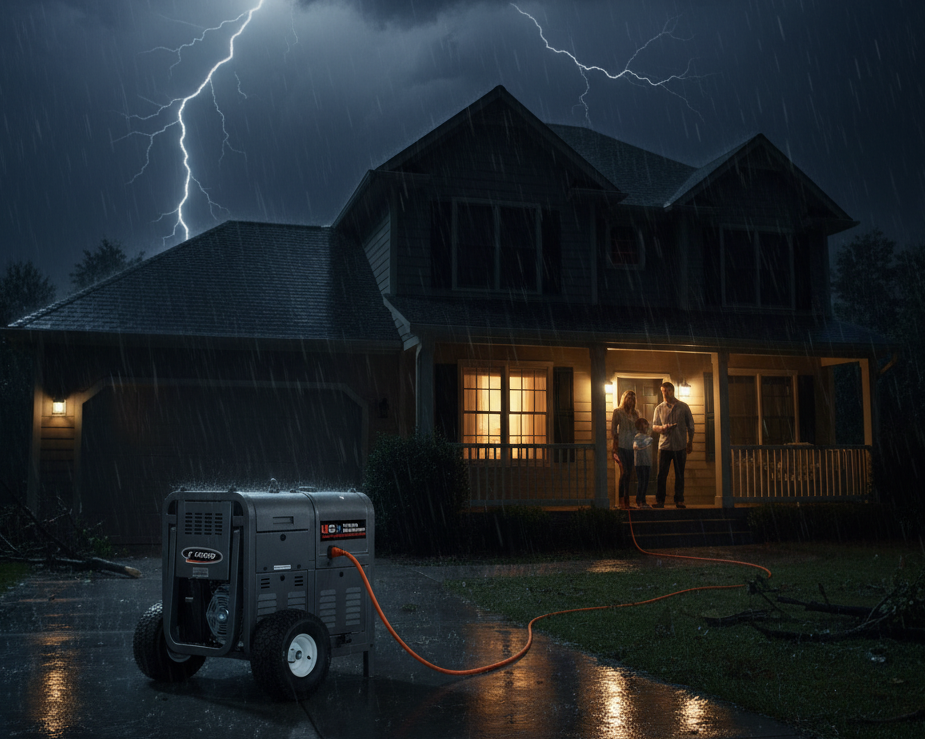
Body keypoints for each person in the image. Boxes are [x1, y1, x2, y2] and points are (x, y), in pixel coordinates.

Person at [652, 381, 695, 509]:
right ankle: (660, 500)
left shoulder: (683, 407)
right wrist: (662, 429)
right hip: (665, 445)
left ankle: (679, 500)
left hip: (680, 445)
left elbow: (691, 426)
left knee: (679, 473)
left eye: (667, 391)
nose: (665, 394)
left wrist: (690, 442)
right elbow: (654, 426)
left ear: (672, 391)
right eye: (663, 391)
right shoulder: (659, 408)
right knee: (662, 474)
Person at [610, 390, 639, 509]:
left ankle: (627, 502)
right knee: (624, 472)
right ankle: (621, 501)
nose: (630, 400)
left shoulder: (636, 414)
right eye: (628, 398)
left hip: (632, 447)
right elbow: (613, 429)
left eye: (633, 398)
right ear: (624, 399)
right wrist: (615, 447)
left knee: (630, 474)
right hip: (621, 447)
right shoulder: (618, 412)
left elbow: (638, 430)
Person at [632, 417, 653, 508]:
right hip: (640, 463)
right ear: (640, 426)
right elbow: (635, 446)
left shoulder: (648, 437)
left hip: (647, 462)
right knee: (642, 481)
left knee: (645, 482)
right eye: (645, 424)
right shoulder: (637, 436)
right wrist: (641, 444)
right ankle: (639, 500)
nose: (647, 426)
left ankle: (643, 500)